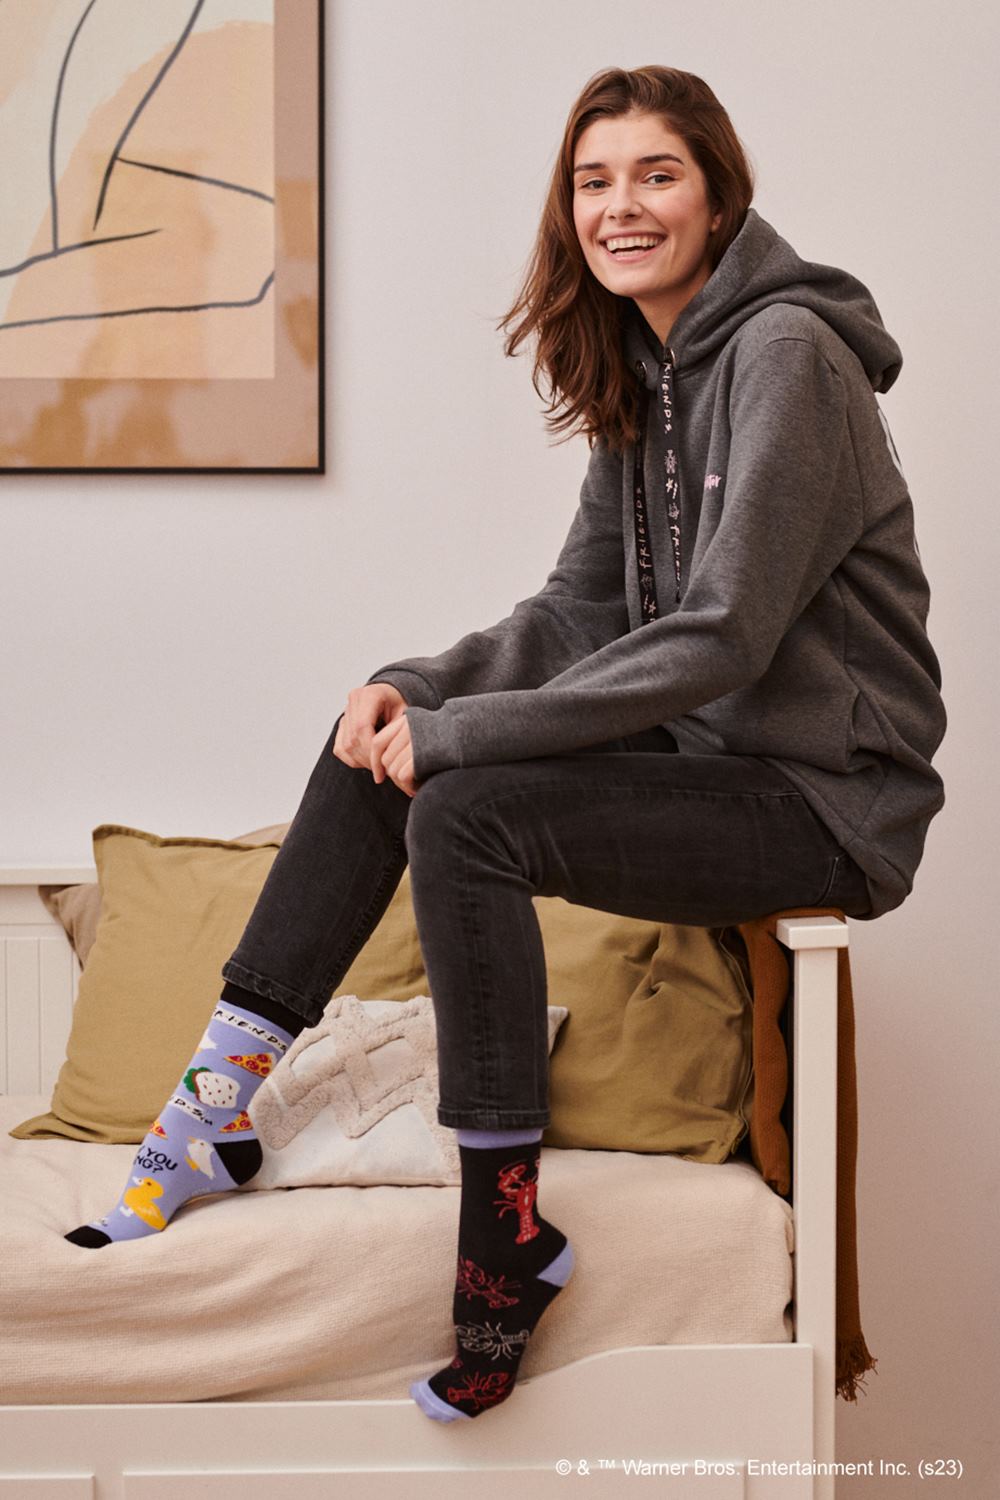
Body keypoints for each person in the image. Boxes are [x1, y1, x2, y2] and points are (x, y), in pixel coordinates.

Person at [64, 66, 946, 1423]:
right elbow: (579, 610)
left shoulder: (789, 355)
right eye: (594, 181)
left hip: (824, 795)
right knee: (374, 743)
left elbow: (721, 637)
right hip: (708, 762)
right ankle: (208, 1117)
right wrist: (414, 691)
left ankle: (502, 1248)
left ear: (720, 199)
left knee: (464, 805)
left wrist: (460, 737)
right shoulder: (647, 370)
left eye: (656, 174)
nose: (620, 206)